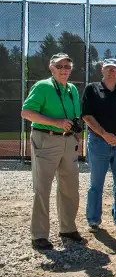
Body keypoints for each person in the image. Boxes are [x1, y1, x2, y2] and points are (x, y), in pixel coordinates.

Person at [22, 53, 83, 250]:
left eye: (67, 66)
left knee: (70, 187)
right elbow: (26, 112)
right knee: (42, 188)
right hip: (46, 139)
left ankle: (67, 228)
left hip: (68, 142)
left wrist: (76, 134)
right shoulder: (42, 86)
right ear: (51, 67)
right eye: (60, 66)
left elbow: (76, 116)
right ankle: (39, 235)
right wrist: (55, 123)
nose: (64, 70)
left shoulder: (72, 89)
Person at [82, 58, 116, 233]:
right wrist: (104, 134)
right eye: (108, 68)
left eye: (114, 69)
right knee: (96, 183)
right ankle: (93, 221)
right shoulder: (92, 89)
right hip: (99, 142)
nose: (112, 71)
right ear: (102, 70)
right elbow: (87, 116)